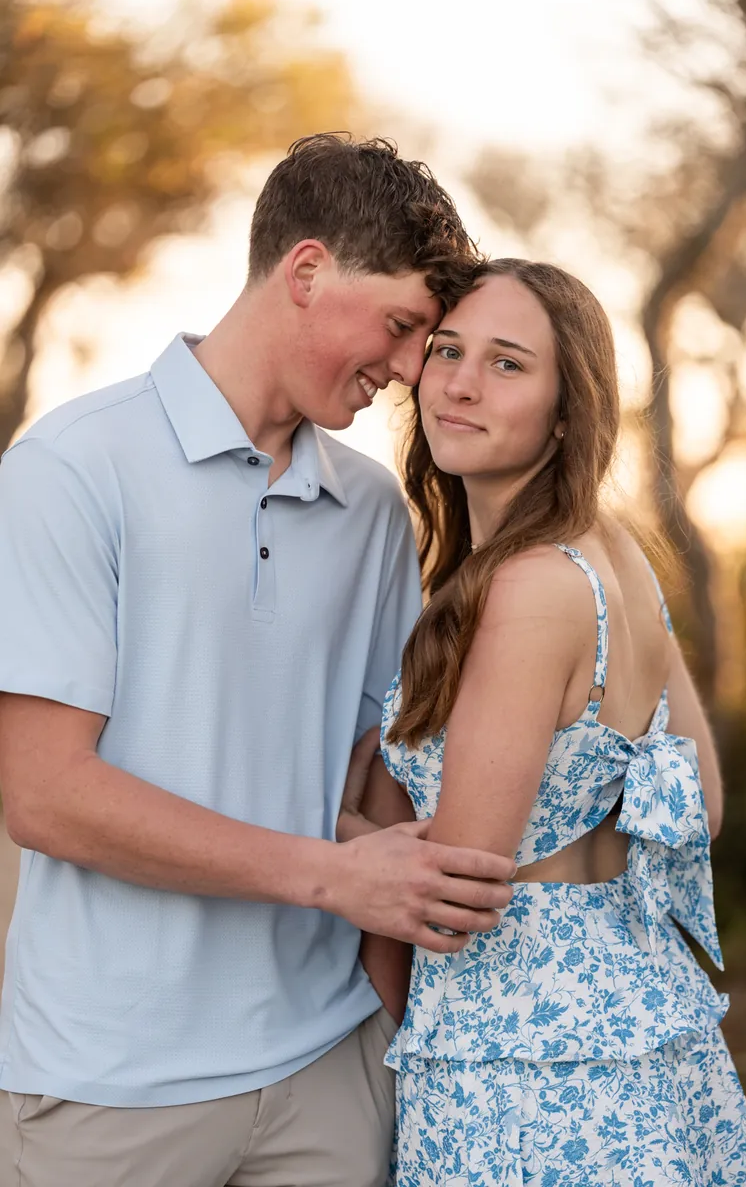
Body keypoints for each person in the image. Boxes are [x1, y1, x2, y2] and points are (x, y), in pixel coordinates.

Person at [0, 135, 517, 1187]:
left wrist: (381, 1026)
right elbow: (42, 796)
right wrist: (334, 878)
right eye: (404, 327)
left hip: (328, 1069)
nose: (413, 370)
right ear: (307, 270)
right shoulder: (69, 467)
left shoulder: (372, 509)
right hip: (110, 1085)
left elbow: (371, 768)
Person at [343, 259, 746, 1184]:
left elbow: (453, 894)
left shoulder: (531, 586)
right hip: (635, 1029)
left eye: (508, 364)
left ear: (568, 406)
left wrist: (331, 823)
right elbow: (698, 804)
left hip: (522, 1068)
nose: (458, 383)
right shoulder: (609, 547)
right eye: (449, 350)